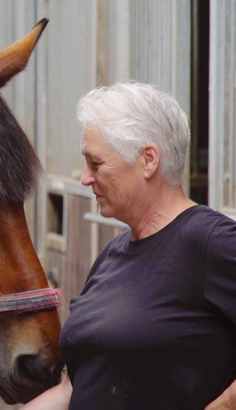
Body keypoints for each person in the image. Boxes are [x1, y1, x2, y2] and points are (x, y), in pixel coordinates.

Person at [21, 81, 236, 409]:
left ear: (148, 160)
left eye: (96, 163)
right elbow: (72, 390)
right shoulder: (112, 255)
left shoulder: (209, 242)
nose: (84, 178)